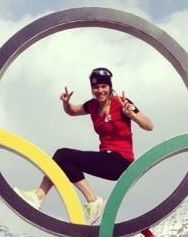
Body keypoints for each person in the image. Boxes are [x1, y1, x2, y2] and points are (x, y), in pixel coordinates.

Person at [14, 67, 153, 224]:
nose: (100, 90)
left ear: (110, 87)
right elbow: (73, 111)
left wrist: (132, 115)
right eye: (96, 87)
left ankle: (47, 196)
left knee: (62, 154)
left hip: (120, 161)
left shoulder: (121, 103)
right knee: (63, 161)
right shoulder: (92, 105)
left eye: (103, 86)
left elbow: (149, 125)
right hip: (106, 158)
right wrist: (66, 103)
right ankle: (50, 197)